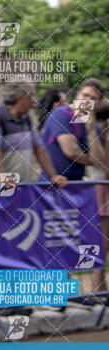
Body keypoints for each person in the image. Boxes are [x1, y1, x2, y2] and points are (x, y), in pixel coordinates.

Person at [0, 83, 67, 187]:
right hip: (1, 186)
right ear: (19, 98)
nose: (34, 101)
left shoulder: (25, 118)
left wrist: (53, 175)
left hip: (20, 186)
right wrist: (2, 177)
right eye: (30, 96)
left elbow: (39, 148)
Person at [42, 78, 106, 181]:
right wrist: (92, 160)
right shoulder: (61, 114)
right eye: (85, 95)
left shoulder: (93, 125)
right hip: (52, 183)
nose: (87, 101)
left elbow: (99, 161)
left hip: (76, 184)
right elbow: (72, 152)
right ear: (77, 95)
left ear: (99, 103)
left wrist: (91, 129)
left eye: (93, 98)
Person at [86, 101, 109, 295]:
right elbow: (103, 164)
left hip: (99, 188)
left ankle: (100, 286)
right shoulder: (95, 131)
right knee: (101, 240)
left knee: (102, 241)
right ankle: (98, 287)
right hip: (98, 189)